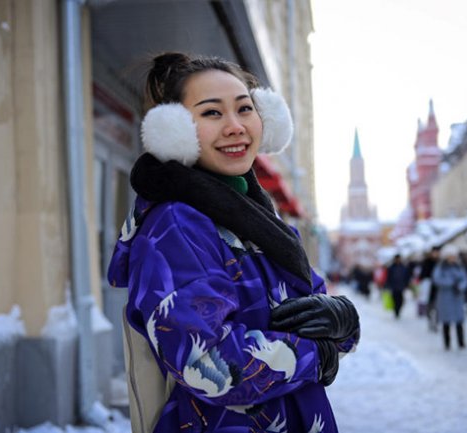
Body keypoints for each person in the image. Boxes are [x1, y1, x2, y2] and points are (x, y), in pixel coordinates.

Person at [106, 53, 360, 432]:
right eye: (212, 113)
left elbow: (322, 318)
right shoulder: (176, 227)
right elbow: (209, 365)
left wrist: (344, 321)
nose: (235, 127)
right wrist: (315, 355)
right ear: (175, 130)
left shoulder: (262, 222)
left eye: (244, 108)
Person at [432, 244, 467, 350]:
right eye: (450, 256)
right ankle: (447, 343)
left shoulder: (459, 267)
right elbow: (437, 279)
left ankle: (461, 342)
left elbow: (465, 279)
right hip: (445, 298)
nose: (453, 258)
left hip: (457, 298)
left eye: (454, 256)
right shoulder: (440, 268)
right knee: (446, 322)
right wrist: (451, 283)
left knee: (459, 321)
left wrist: (460, 286)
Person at [419, 246, 440, 330]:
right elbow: (422, 274)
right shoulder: (427, 262)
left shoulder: (440, 262)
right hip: (429, 288)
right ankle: (430, 320)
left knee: (437, 306)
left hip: (438, 287)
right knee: (430, 305)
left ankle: (436, 321)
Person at [385, 254, 410, 318]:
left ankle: (398, 310)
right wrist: (388, 285)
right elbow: (388, 277)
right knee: (395, 299)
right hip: (394, 286)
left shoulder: (403, 267)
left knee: (401, 300)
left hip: (401, 286)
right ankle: (396, 311)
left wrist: (406, 284)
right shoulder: (391, 268)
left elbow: (406, 277)